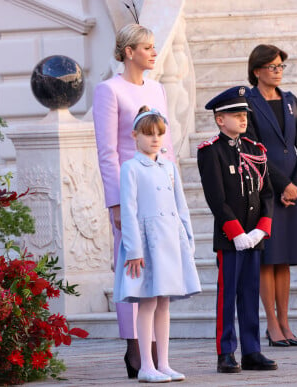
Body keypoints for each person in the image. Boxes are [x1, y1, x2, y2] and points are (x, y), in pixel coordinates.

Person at [92, 24, 175, 378]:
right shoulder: (108, 91)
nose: (153, 53)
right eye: (147, 47)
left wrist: (172, 189)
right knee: (131, 268)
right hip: (129, 194)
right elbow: (107, 151)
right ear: (128, 51)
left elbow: (166, 146)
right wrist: (115, 204)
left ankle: (158, 352)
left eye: (154, 47)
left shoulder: (158, 89)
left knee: (161, 268)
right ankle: (134, 347)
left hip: (159, 192)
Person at [114, 106, 201, 383]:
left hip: (170, 241)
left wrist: (187, 239)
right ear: (135, 135)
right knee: (147, 302)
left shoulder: (169, 167)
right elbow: (128, 211)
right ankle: (146, 365)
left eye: (159, 134)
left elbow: (181, 207)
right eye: (148, 134)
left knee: (164, 303)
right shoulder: (131, 167)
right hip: (146, 242)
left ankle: (164, 362)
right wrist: (134, 249)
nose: (154, 139)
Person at [197, 86, 277, 374]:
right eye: (235, 114)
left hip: (253, 236)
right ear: (220, 119)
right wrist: (236, 232)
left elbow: (267, 194)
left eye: (244, 113)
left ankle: (252, 350)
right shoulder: (211, 152)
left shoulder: (256, 150)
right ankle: (226, 351)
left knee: (249, 292)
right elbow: (216, 199)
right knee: (227, 294)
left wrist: (261, 230)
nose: (243, 119)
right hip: (231, 238)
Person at [245, 44, 297, 347]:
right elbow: (253, 149)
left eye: (281, 66)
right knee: (266, 258)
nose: (277, 71)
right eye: (272, 66)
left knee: (284, 258)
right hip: (264, 187)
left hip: (292, 191)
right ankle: (271, 324)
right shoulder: (247, 102)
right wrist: (282, 183)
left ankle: (285, 322)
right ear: (257, 70)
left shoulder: (291, 101)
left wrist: (295, 184)